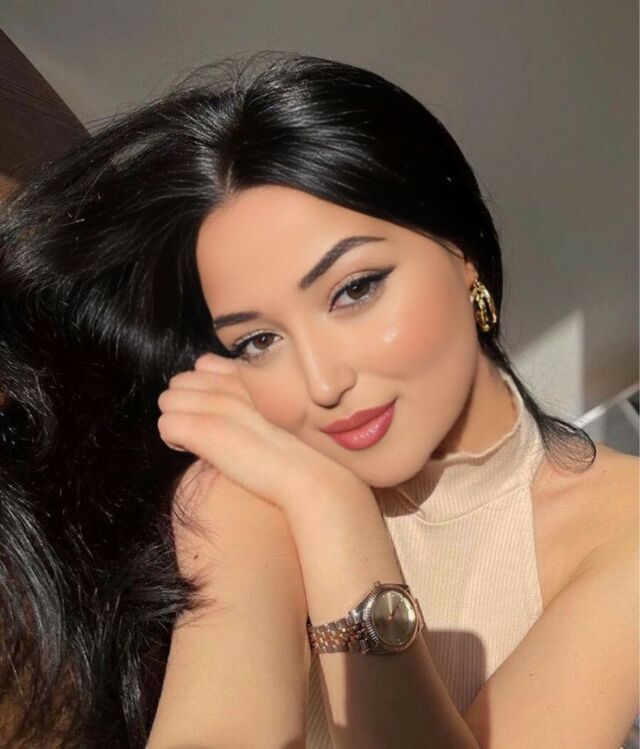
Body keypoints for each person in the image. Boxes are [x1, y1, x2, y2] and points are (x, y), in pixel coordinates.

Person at [0, 50, 636, 748]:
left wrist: (329, 506)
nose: (324, 384)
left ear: (463, 255)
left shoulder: (624, 523)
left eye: (355, 289)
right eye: (258, 340)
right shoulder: (245, 486)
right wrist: (319, 494)